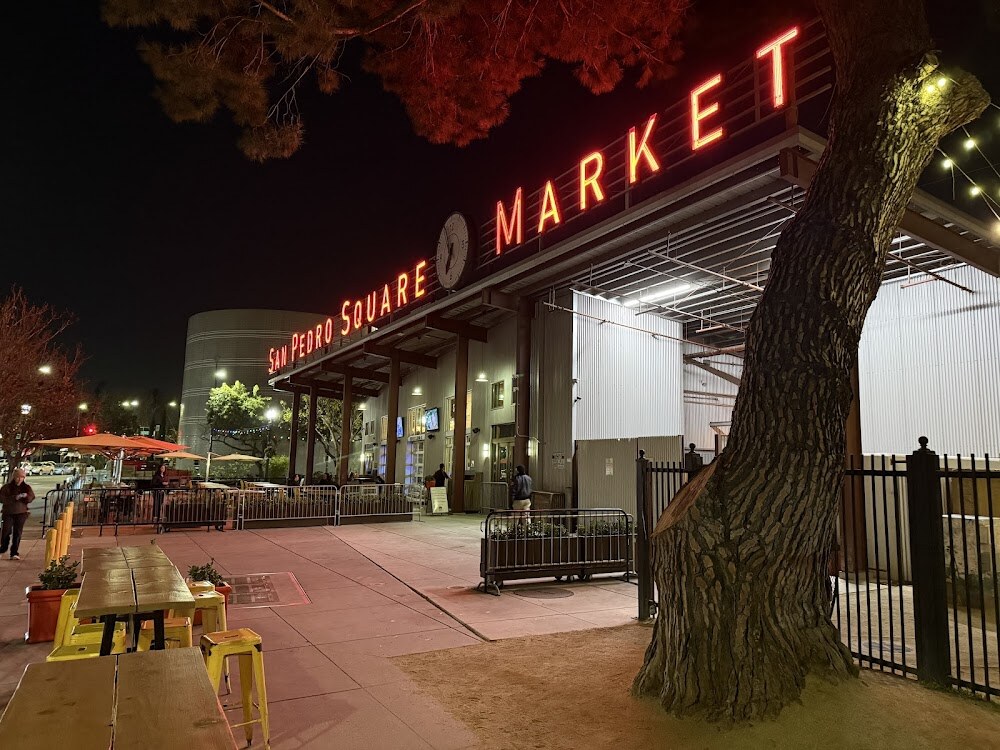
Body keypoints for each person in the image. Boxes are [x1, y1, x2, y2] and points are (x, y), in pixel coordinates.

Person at [1, 469, 34, 560]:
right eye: (17, 477)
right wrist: (15, 497)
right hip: (8, 513)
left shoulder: (26, 487)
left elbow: (31, 498)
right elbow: (2, 499)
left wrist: (26, 496)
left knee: (17, 533)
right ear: (14, 477)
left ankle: (14, 552)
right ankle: (3, 548)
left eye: (22, 477)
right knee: (5, 532)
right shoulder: (7, 487)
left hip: (21, 513)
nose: (19, 479)